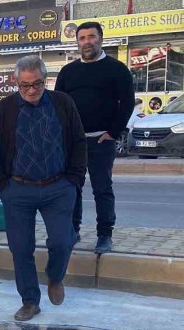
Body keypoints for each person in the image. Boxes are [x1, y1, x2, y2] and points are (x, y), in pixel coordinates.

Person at [0, 56, 87, 321]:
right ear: (16, 83)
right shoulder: (3, 110)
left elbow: (78, 142)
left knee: (63, 241)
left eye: (37, 84)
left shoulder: (62, 103)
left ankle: (55, 277)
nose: (31, 90)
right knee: (20, 248)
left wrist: (73, 180)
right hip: (18, 190)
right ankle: (30, 300)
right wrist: (2, 185)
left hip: (58, 188)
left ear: (45, 80)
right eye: (25, 85)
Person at [55, 21, 135, 254]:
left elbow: (127, 103)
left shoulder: (117, 69)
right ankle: (73, 230)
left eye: (91, 37)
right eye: (82, 38)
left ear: (100, 39)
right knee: (72, 188)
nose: (87, 42)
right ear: (77, 42)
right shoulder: (68, 72)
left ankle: (104, 235)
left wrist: (113, 132)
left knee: (102, 189)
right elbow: (58, 105)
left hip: (102, 140)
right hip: (73, 141)